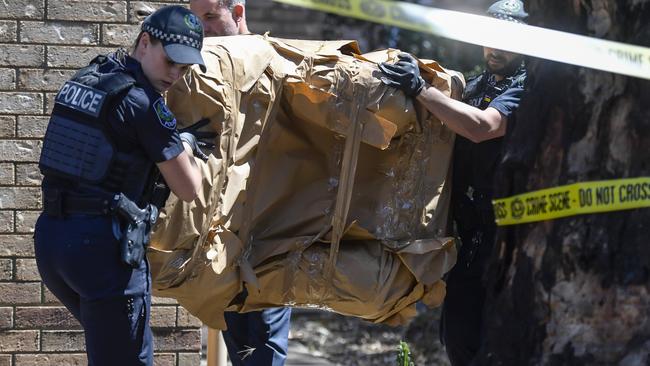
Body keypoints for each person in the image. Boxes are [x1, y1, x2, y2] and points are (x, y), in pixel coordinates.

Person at [34, 6, 210, 366]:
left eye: (185, 67)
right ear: (145, 42)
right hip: (101, 251)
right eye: (171, 61)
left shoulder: (88, 78)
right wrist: (185, 145)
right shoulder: (143, 103)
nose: (175, 74)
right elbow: (189, 188)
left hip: (52, 243)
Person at [379, 1, 528, 365]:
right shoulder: (477, 83)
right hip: (468, 233)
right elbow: (446, 116)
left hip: (505, 237)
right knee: (457, 334)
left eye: (506, 40)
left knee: (488, 341)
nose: (495, 48)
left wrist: (420, 90)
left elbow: (481, 126)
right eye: (489, 39)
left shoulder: (526, 88)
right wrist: (418, 79)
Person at [189, 1, 292, 365]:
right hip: (223, 236)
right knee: (241, 349)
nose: (203, 30)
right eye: (196, 20)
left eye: (211, 18)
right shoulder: (206, 67)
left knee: (263, 350)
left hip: (269, 234)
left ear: (237, 11)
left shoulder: (273, 61)